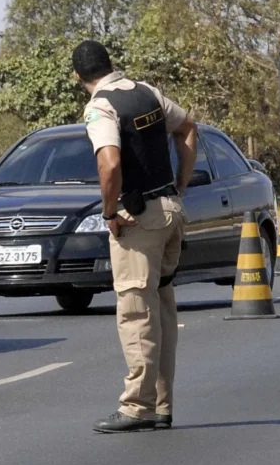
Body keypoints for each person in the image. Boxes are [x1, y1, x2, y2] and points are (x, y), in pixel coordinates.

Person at [74, 39, 198, 433]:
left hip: (138, 220)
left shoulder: (101, 107)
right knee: (160, 307)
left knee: (136, 312)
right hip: (170, 211)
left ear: (79, 77)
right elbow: (189, 129)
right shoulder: (147, 92)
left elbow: (109, 164)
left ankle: (137, 407)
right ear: (110, 65)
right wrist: (179, 184)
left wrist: (109, 212)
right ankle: (161, 404)